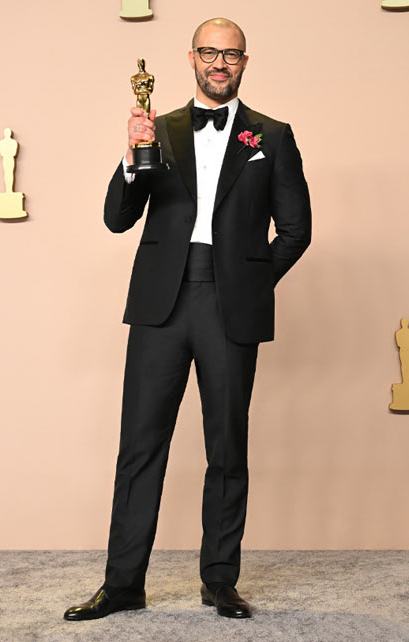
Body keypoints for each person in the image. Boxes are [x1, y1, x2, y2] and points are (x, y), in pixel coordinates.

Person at [64, 16, 312, 622]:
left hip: (230, 306)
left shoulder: (273, 136)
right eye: (209, 52)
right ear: (192, 58)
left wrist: (249, 282)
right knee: (139, 446)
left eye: (231, 54)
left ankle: (219, 582)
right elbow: (117, 219)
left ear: (244, 62)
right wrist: (132, 154)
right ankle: (123, 584)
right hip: (160, 304)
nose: (219, 63)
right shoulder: (161, 129)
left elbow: (296, 230)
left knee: (227, 446)